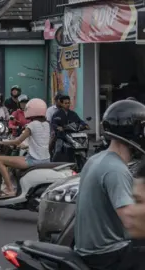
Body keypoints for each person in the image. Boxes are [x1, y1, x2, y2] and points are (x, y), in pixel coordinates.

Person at [74, 99, 145, 270]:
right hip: (107, 254)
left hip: (88, 249)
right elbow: (130, 221)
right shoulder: (116, 170)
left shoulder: (96, 160)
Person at [0, 98, 50, 198]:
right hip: (46, 159)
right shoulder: (46, 124)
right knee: (13, 163)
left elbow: (17, 141)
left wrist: (0, 142)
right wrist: (26, 145)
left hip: (34, 160)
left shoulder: (32, 125)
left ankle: (10, 189)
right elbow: (40, 141)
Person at [51, 95, 89, 161]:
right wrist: (58, 127)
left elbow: (79, 121)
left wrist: (85, 125)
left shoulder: (73, 114)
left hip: (72, 136)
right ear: (61, 104)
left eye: (68, 103)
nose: (68, 104)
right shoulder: (57, 114)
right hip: (61, 137)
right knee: (58, 149)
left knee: (83, 146)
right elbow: (53, 124)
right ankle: (53, 163)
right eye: (65, 103)